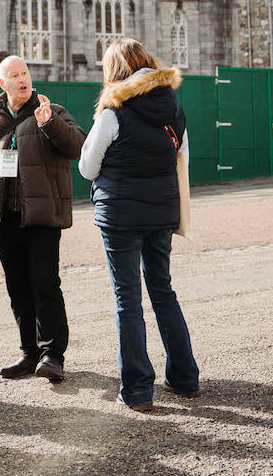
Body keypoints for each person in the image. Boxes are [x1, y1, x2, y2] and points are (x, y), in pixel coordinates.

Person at [78, 39, 199, 412]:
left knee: (127, 299)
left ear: (115, 70)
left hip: (120, 217)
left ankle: (137, 389)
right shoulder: (173, 109)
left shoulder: (113, 112)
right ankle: (184, 378)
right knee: (163, 290)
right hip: (161, 214)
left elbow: (87, 167)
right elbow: (183, 158)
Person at [0, 55, 86, 383]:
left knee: (45, 285)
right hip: (5, 217)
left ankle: (53, 355)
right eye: (14, 75)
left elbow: (77, 146)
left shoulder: (50, 110)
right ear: (3, 83)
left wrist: (49, 123)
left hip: (42, 216)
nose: (21, 79)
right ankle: (29, 353)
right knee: (18, 288)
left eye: (25, 72)